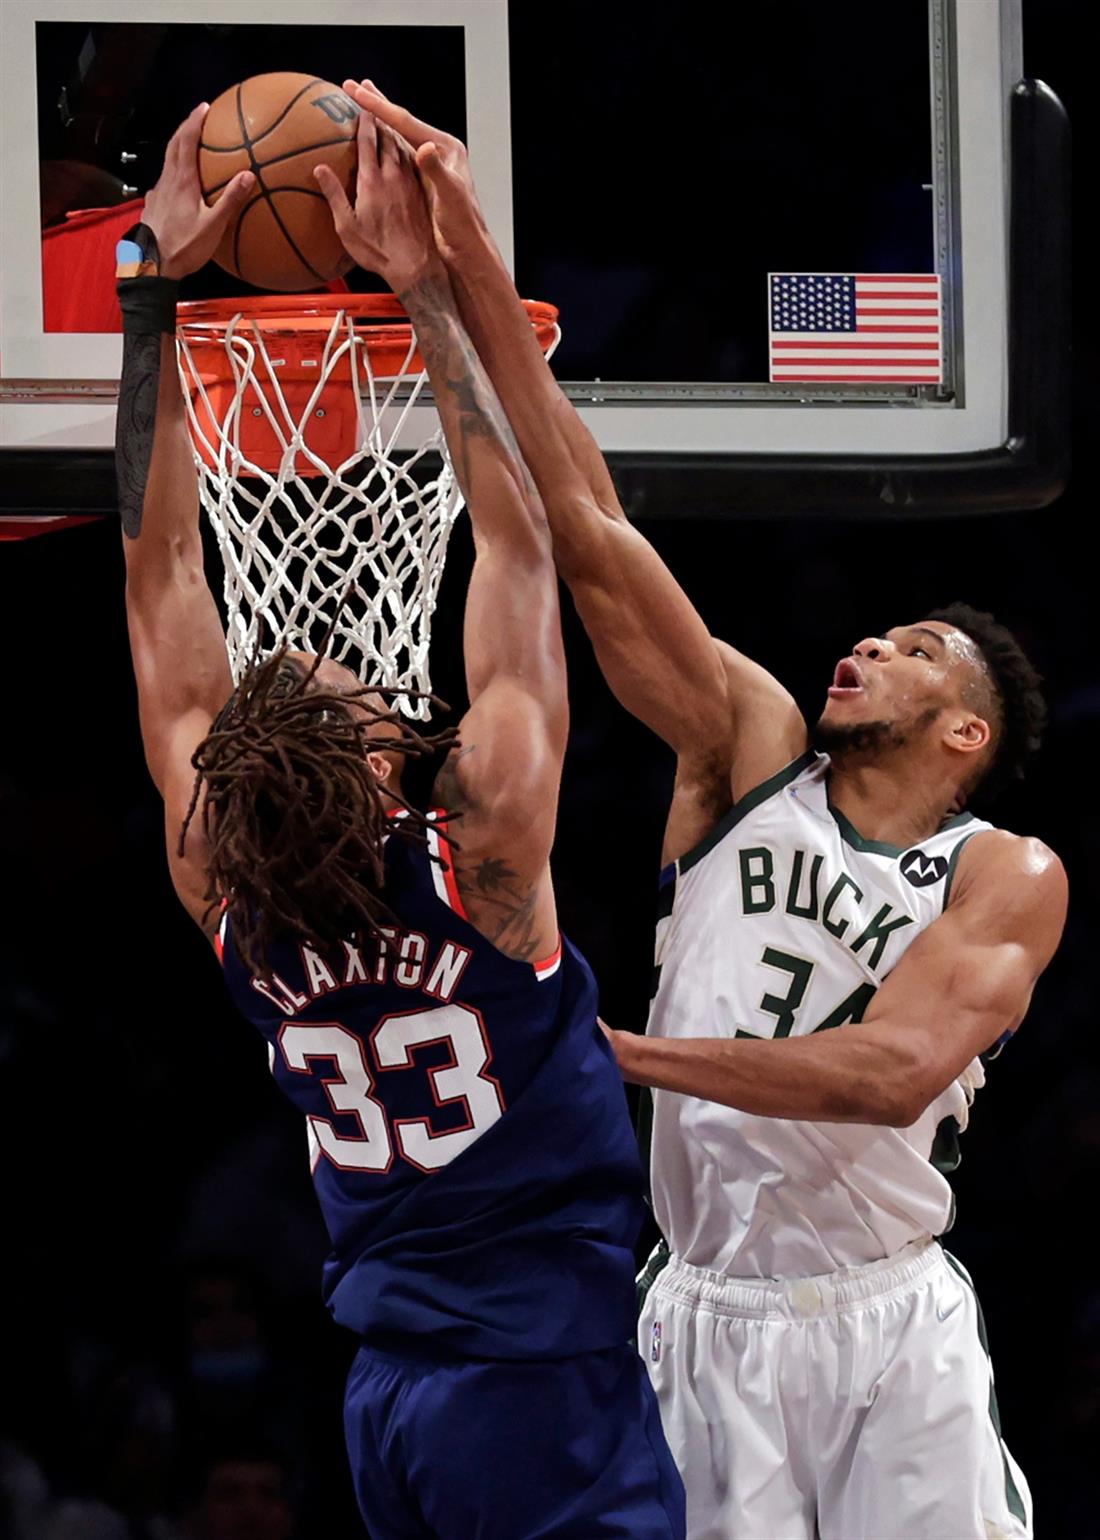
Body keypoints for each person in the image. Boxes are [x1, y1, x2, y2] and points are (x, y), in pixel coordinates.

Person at [350, 79, 1069, 1540]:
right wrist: (450, 270)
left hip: (885, 1320)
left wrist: (612, 1049)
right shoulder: (752, 753)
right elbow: (589, 524)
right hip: (700, 1313)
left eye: (915, 651)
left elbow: (891, 1073)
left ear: (968, 732)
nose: (869, 645)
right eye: (877, 634)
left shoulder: (1002, 871)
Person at [116, 104, 684, 1539]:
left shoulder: (227, 894)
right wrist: (426, 285)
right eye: (359, 687)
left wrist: (155, 296)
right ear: (385, 772)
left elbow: (163, 575)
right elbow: (519, 540)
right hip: (534, 1385)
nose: (352, 660)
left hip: (385, 1395)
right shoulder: (476, 858)